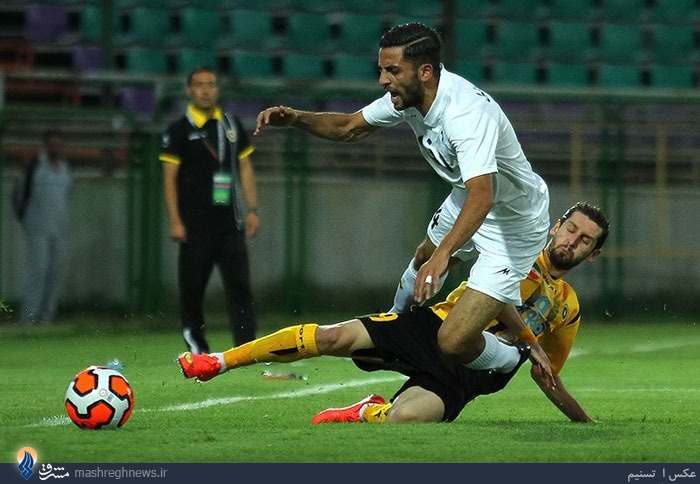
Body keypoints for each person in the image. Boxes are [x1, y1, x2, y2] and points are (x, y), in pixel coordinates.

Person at [254, 23, 551, 374]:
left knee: (453, 342)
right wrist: (296, 119)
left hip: (515, 223)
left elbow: (482, 196)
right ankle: (391, 327)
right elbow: (350, 127)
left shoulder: (465, 116)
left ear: (425, 72)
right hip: (469, 196)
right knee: (422, 255)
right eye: (381, 69)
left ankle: (512, 356)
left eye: (392, 70)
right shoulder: (410, 97)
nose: (383, 79)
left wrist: (445, 256)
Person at [179, 202, 610, 424]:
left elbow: (545, 373)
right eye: (571, 229)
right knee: (331, 339)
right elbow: (494, 298)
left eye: (585, 240)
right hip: (435, 327)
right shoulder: (514, 251)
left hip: (471, 376)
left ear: (592, 255)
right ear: (556, 226)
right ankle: (218, 361)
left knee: (405, 420)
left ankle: (369, 409)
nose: (574, 241)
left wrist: (585, 421)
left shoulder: (567, 306)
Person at [160, 66, 260, 354]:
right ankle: (197, 349)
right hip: (194, 227)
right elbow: (168, 178)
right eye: (199, 85)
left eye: (211, 84)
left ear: (217, 89)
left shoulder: (230, 126)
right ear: (189, 90)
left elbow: (245, 166)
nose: (206, 90)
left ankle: (247, 348)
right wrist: (175, 220)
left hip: (230, 224)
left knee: (241, 290)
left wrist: (252, 209)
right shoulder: (179, 131)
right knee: (192, 292)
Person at [17, 129, 73, 324]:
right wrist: (26, 220)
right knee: (37, 272)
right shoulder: (35, 167)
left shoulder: (65, 169)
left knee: (53, 273)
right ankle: (28, 318)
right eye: (52, 144)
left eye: (59, 144)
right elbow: (18, 195)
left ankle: (46, 318)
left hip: (59, 229)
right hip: (37, 229)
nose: (55, 147)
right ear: (45, 145)